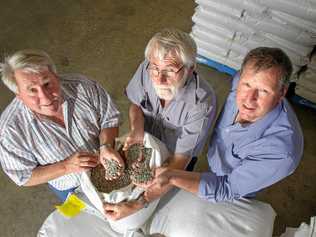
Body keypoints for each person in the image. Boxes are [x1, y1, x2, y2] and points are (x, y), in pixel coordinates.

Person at [153, 47, 304, 202]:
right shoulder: (238, 79)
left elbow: (226, 188)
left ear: (281, 93)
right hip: (215, 157)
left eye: (264, 91)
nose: (249, 99)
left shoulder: (281, 153)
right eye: (246, 85)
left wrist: (172, 177)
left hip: (233, 183)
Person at [103, 28, 216, 220]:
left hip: (176, 156)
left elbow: (178, 164)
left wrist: (138, 203)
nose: (159, 79)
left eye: (170, 70)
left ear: (191, 68)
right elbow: (136, 105)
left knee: (165, 202)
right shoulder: (147, 69)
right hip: (145, 141)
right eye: (155, 68)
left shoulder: (201, 104)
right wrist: (137, 131)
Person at [0, 49, 123, 202]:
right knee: (87, 219)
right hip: (71, 187)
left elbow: (109, 118)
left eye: (47, 83)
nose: (45, 97)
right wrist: (66, 167)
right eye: (32, 90)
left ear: (55, 76)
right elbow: (23, 175)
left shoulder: (83, 86)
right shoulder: (10, 132)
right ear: (18, 95)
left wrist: (106, 146)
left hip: (107, 164)